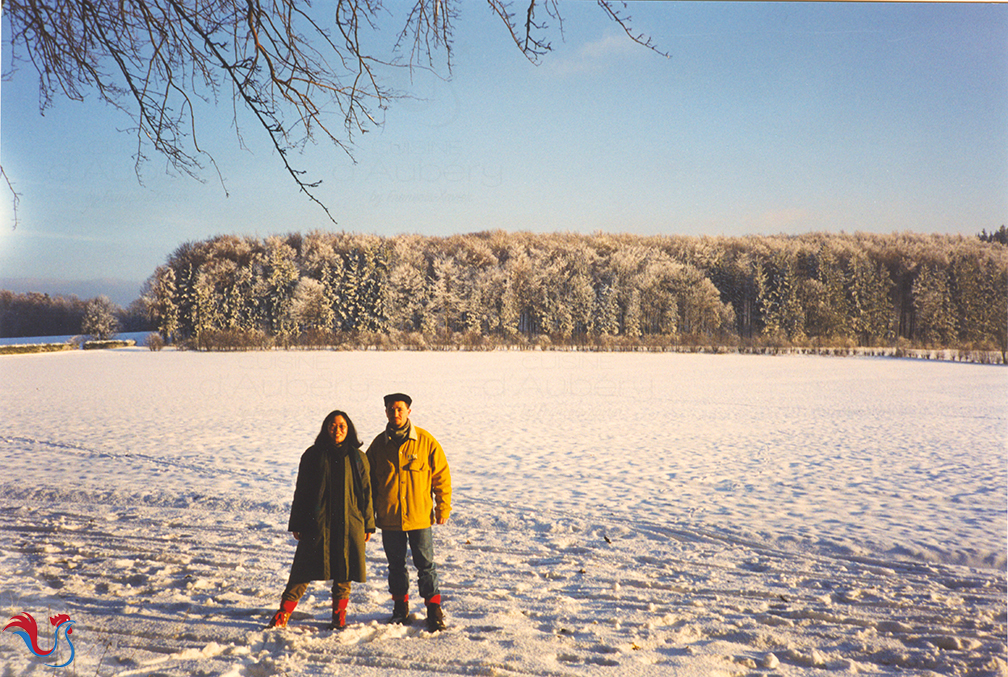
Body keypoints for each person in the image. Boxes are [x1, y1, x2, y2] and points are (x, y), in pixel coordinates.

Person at [268, 410, 375, 630]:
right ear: (326, 428)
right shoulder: (313, 455)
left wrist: (368, 523)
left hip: (349, 521)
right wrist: (297, 522)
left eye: (342, 426)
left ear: (349, 429)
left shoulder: (357, 457)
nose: (337, 431)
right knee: (302, 569)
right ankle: (283, 613)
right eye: (332, 426)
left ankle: (339, 616)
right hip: (317, 522)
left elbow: (366, 492)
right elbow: (302, 491)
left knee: (344, 570)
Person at [367, 393, 452, 632]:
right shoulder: (378, 446)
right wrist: (367, 516)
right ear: (385, 412)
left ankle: (434, 610)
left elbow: (441, 477)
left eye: (400, 409)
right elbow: (367, 482)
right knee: (395, 566)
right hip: (390, 518)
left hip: (419, 517)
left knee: (426, 565)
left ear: (409, 412)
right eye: (391, 409)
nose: (396, 414)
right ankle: (400, 609)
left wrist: (442, 506)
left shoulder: (425, 441)